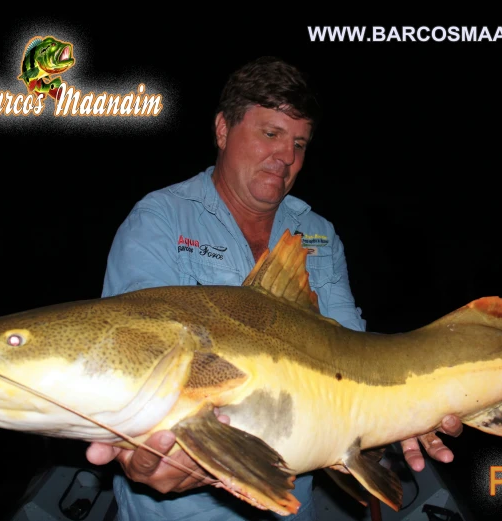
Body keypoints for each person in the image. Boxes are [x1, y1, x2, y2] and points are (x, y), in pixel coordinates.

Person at [85, 56, 463, 521]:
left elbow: (350, 353)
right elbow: (134, 356)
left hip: (290, 509)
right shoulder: (159, 220)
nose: (286, 156)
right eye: (270, 133)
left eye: (299, 143)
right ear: (223, 129)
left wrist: (408, 410)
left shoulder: (317, 232)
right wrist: (137, 448)